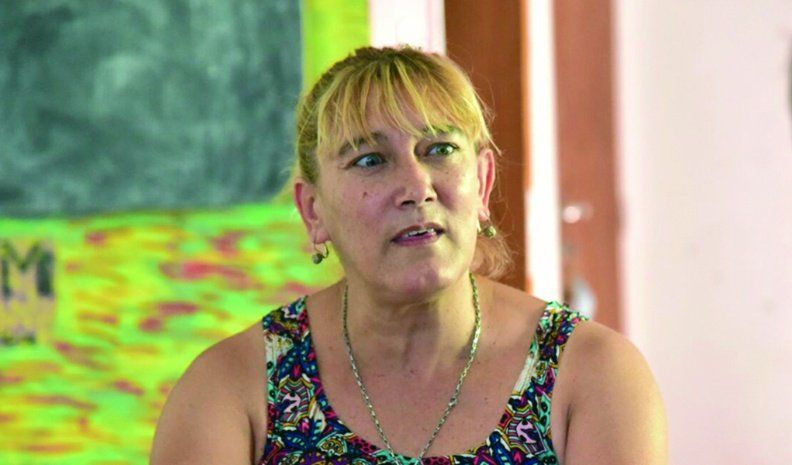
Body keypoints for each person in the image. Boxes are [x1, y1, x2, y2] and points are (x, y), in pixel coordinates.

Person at [150, 46, 667, 465]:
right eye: (370, 160)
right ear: (313, 211)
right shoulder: (235, 387)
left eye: (439, 150)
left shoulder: (588, 374)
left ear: (483, 183)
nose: (417, 187)